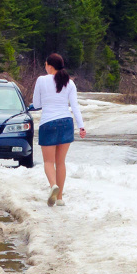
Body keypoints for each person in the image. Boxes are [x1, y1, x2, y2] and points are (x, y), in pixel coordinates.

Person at [31, 53, 86, 207]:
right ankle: (60, 198)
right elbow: (75, 107)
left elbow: (36, 103)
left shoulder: (41, 80)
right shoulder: (70, 83)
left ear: (50, 66)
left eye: (45, 64)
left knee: (48, 162)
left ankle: (53, 186)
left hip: (48, 123)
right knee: (60, 162)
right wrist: (81, 126)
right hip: (66, 123)